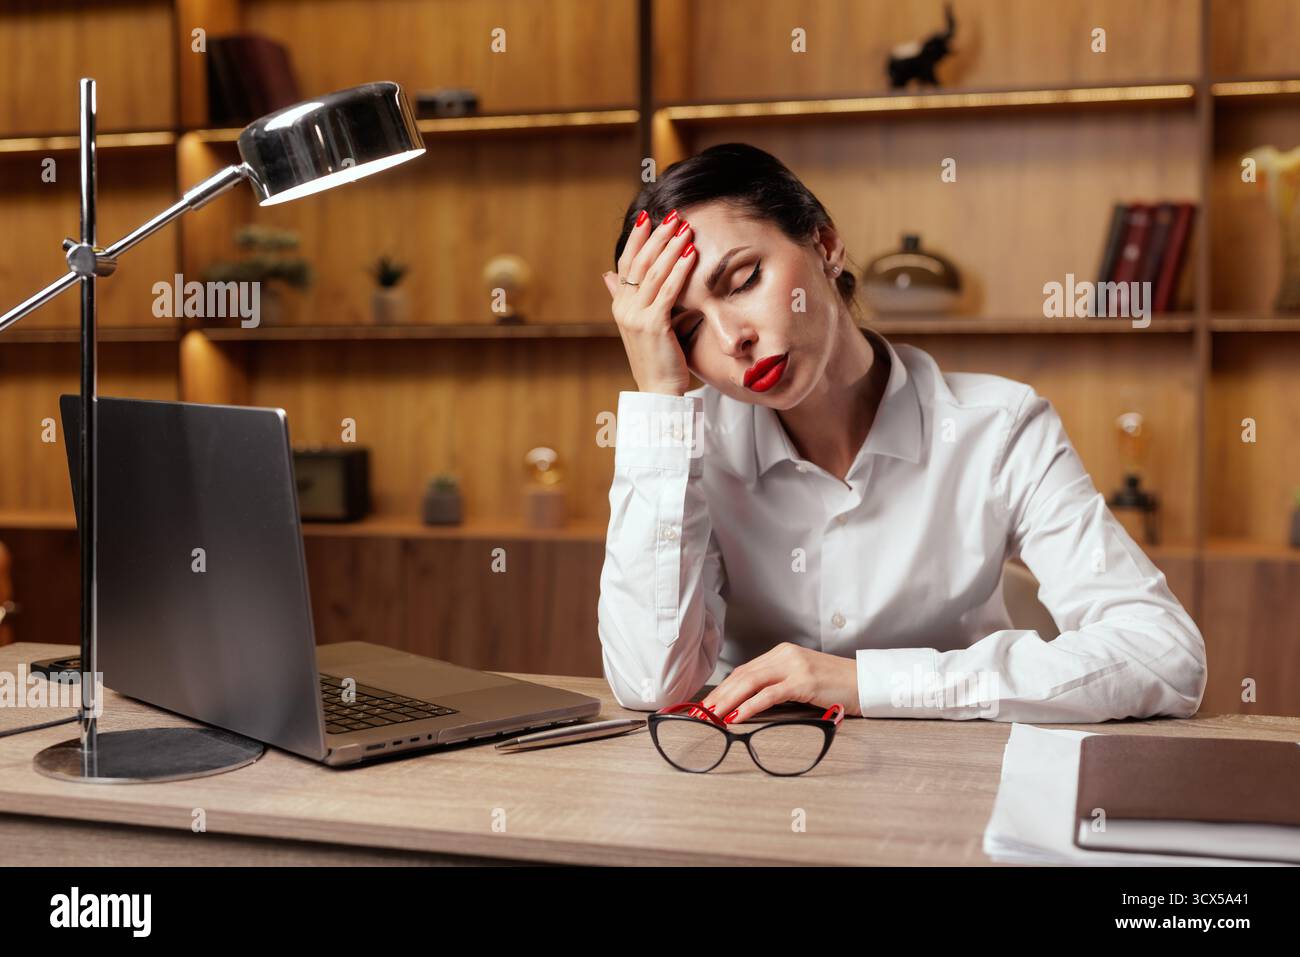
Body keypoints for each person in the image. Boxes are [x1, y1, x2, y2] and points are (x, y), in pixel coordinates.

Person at [597, 142, 1206, 724]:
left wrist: (866, 683)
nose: (732, 339)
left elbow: (1163, 654)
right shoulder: (689, 449)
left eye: (743, 279)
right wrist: (659, 400)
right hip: (749, 775)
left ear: (825, 245)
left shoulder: (998, 429)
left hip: (951, 787)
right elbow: (652, 684)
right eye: (686, 327)